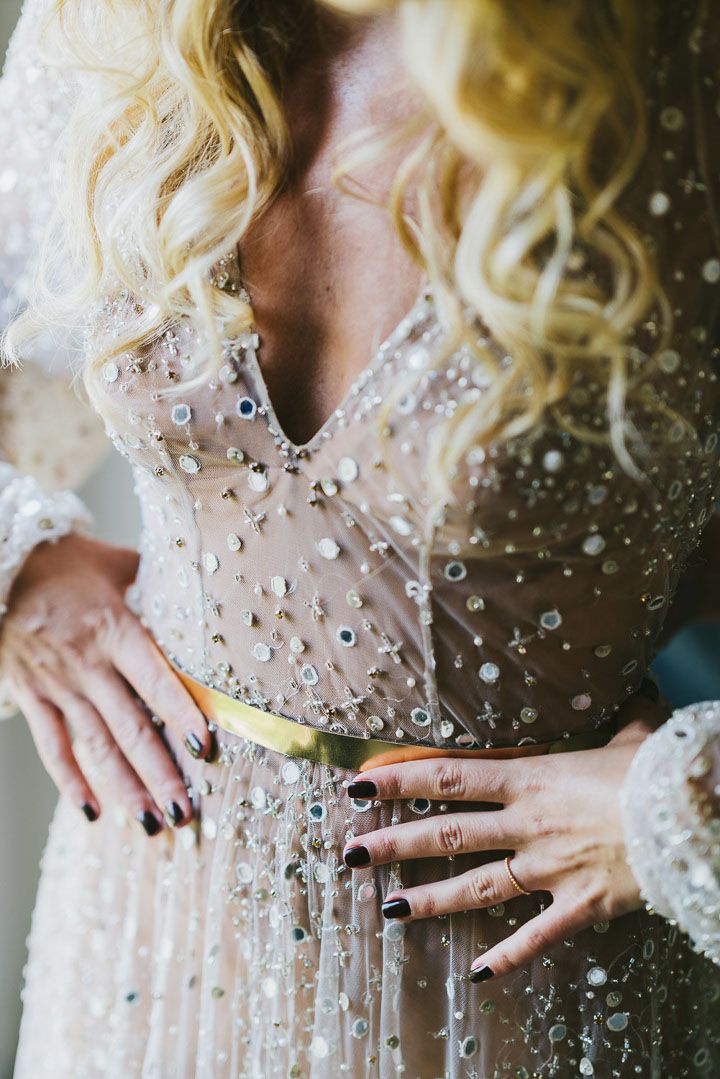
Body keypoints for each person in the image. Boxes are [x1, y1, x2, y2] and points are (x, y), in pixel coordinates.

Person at [0, 0, 718, 1075]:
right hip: (145, 941)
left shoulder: (685, 74)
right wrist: (18, 571)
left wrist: (682, 805)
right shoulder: (117, 32)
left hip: (527, 986)